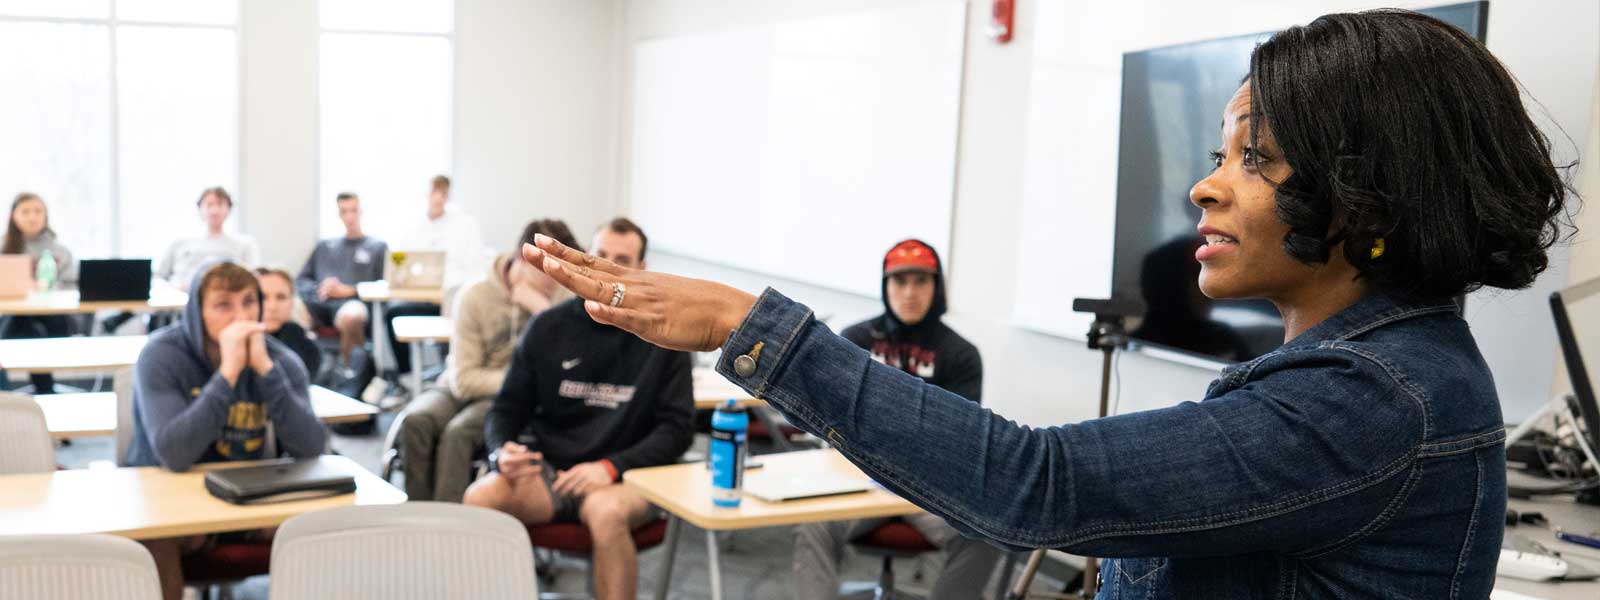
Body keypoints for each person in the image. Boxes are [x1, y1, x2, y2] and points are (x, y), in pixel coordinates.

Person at [519, 10, 1574, 597]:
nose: (1204, 184)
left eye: (1255, 157)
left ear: (1367, 186)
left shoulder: (1368, 403)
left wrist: (749, 329)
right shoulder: (1364, 376)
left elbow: (1036, 482)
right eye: (1215, 153)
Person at [464, 217, 691, 600]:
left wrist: (610, 467)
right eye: (600, 254)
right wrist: (502, 450)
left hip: (627, 475)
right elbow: (506, 409)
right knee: (480, 497)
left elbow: (678, 429)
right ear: (586, 258)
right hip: (553, 470)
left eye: (621, 258)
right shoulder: (548, 327)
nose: (607, 264)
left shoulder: (664, 336)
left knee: (605, 513)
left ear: (640, 269)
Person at [793, 239, 999, 600]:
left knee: (989, 531)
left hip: (930, 490)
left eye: (921, 281)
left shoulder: (962, 355)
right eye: (899, 281)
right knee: (813, 525)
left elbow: (954, 439)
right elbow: (836, 423)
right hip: (859, 481)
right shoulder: (854, 340)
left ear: (937, 288)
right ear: (885, 287)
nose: (909, 292)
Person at [126, 261, 326, 600]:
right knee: (151, 543)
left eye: (249, 302)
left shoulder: (281, 361)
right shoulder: (161, 356)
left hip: (251, 498)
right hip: (174, 500)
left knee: (328, 530)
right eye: (223, 305)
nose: (240, 316)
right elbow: (175, 453)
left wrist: (265, 370)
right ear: (197, 313)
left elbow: (311, 446)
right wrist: (229, 373)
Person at [393, 218, 579, 502]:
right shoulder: (476, 295)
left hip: (511, 397)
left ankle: (450, 532)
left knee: (458, 433)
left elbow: (565, 367)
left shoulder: (559, 298)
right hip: (460, 385)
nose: (555, 280)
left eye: (561, 270)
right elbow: (465, 381)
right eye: (548, 270)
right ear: (523, 259)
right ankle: (421, 519)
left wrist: (542, 312)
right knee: (415, 420)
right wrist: (518, 379)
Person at [383, 175, 489, 378]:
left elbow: (476, 269)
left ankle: (449, 372)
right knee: (393, 312)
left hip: (454, 300)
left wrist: (448, 291)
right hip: (424, 300)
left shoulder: (465, 225)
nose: (438, 198)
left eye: (443, 193)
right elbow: (399, 263)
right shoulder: (413, 229)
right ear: (426, 194)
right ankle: (406, 377)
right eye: (434, 192)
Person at [297, 192, 387, 371]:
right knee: (289, 310)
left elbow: (384, 286)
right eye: (344, 211)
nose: (349, 216)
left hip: (353, 305)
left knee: (351, 316)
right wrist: (321, 288)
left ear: (361, 212)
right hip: (320, 304)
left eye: (353, 210)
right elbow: (301, 281)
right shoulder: (324, 247)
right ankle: (303, 371)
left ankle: (351, 374)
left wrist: (350, 290)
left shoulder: (377, 247)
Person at [1, 192, 77, 393]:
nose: (32, 217)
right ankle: (10, 393)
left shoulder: (60, 251)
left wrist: (48, 287)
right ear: (12, 216)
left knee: (34, 330)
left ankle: (43, 388)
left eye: (37, 211)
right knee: (20, 323)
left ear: (46, 215)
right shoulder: (3, 249)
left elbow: (73, 285)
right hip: (13, 318)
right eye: (25, 212)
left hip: (53, 317)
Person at [158, 187, 261, 291]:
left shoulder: (245, 243)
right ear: (199, 209)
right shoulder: (180, 242)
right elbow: (160, 276)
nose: (214, 210)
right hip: (180, 301)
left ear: (229, 209)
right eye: (209, 204)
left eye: (220, 204)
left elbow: (254, 277)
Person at [257, 266, 322, 378]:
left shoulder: (307, 348)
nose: (272, 307)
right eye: (263, 297)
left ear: (292, 302)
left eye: (281, 297)